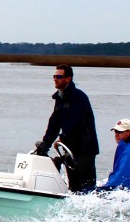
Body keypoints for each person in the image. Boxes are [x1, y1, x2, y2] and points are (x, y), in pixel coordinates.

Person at [36, 64, 99, 193]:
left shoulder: (79, 97)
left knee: (87, 185)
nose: (55, 79)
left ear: (68, 79)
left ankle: (92, 206)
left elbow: (77, 122)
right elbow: (54, 123)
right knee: (74, 186)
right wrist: (45, 144)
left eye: (59, 76)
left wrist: (61, 138)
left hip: (84, 148)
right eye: (54, 76)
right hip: (70, 148)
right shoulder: (59, 97)